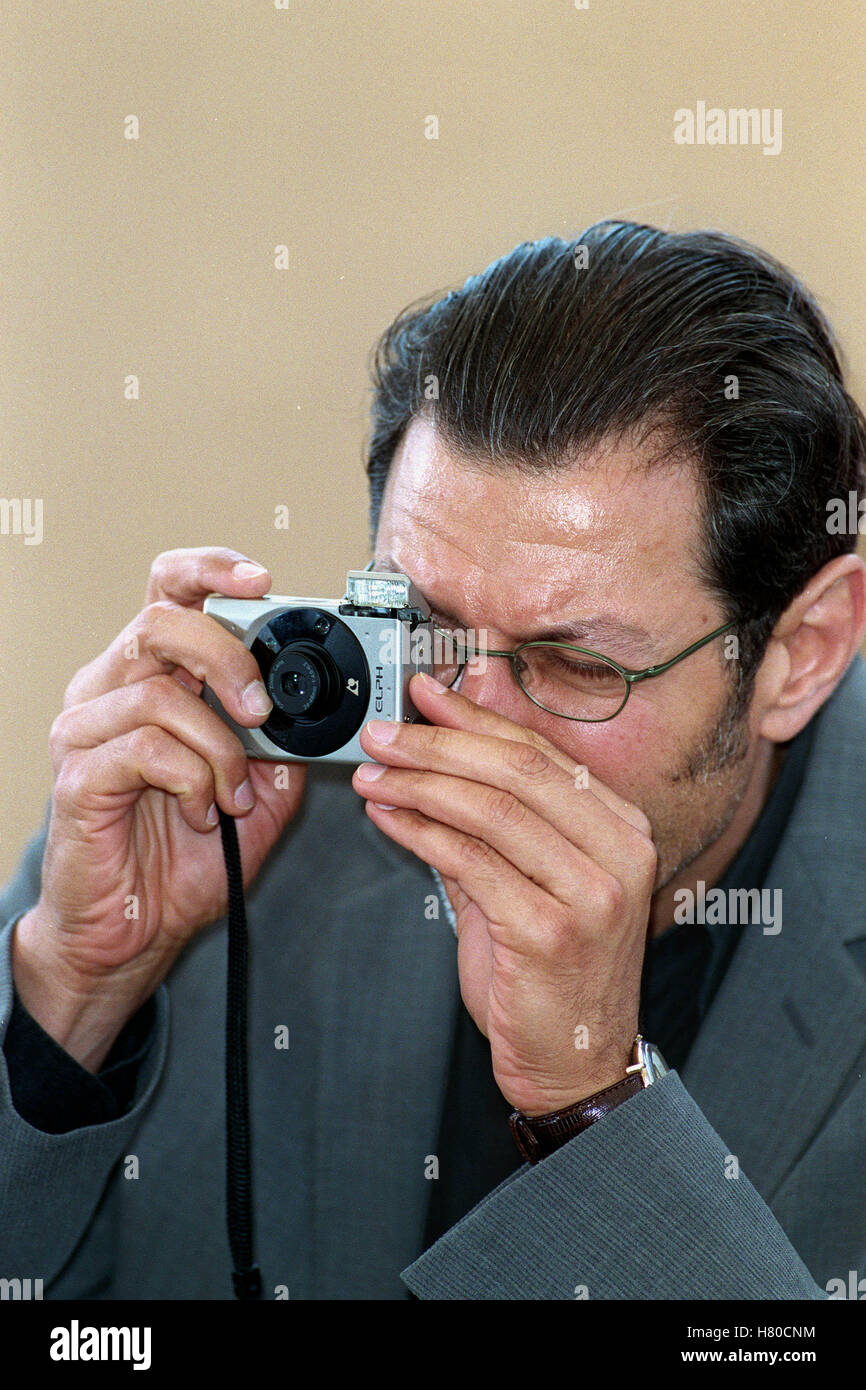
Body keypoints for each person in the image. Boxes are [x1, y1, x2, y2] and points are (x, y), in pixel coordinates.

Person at [1, 221, 864, 1300]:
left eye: (574, 664)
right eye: (422, 624)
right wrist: (71, 1000)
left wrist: (590, 1113)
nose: (469, 722)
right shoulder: (229, 824)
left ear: (801, 650)